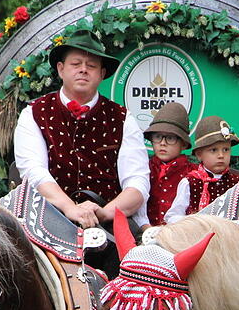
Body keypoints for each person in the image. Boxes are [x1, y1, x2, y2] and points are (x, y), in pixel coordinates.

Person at [14, 30, 149, 228]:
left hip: (109, 223)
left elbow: (137, 182)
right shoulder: (34, 113)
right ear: (61, 69)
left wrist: (104, 213)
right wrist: (70, 208)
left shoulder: (122, 118)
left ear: (102, 74)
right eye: (76, 64)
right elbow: (34, 172)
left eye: (91, 66)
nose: (83, 70)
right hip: (48, 221)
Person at [164, 116, 239, 223]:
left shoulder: (237, 184)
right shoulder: (190, 182)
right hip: (197, 236)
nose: (221, 155)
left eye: (226, 149)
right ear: (199, 155)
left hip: (228, 237)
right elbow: (172, 217)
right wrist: (195, 221)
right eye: (214, 150)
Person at [141, 102, 196, 228]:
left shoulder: (194, 174)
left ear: (183, 144)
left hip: (181, 237)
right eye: (158, 137)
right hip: (144, 234)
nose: (162, 143)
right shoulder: (143, 169)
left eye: (170, 138)